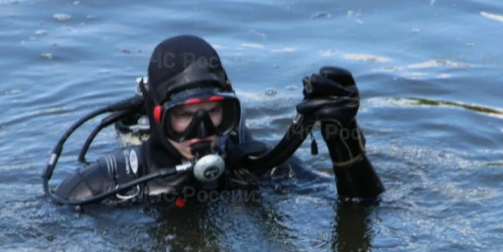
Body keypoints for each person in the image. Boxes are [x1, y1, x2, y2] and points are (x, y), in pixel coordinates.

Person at [43, 34, 385, 207]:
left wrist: (344, 141)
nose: (202, 132)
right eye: (185, 116)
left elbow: (361, 207)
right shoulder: (103, 186)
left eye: (214, 113)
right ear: (156, 115)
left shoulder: (259, 166)